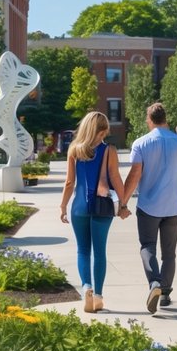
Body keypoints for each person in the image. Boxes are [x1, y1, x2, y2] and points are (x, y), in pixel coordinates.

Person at [120, 102, 177, 314]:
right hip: (173, 207)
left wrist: (123, 203)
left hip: (148, 206)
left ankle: (154, 283)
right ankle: (165, 294)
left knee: (147, 247)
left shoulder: (141, 143)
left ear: (150, 119)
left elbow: (134, 175)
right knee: (169, 253)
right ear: (166, 119)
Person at [58, 111, 126, 314]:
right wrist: (122, 205)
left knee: (82, 250)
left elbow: (69, 182)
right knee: (100, 252)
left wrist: (63, 206)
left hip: (79, 207)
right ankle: (98, 296)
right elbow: (115, 178)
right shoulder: (109, 151)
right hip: (101, 207)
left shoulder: (74, 150)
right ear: (103, 131)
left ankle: (86, 287)